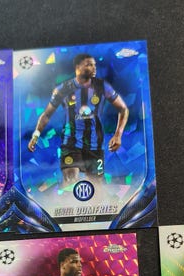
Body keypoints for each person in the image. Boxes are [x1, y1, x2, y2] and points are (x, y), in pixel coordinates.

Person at [28, 53, 129, 188]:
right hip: (70, 144)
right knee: (70, 184)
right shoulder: (63, 89)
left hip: (95, 145)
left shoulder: (102, 86)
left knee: (96, 187)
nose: (94, 68)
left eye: (94, 65)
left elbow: (123, 109)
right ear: (78, 67)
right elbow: (46, 115)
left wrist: (118, 135)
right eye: (89, 65)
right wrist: (35, 135)